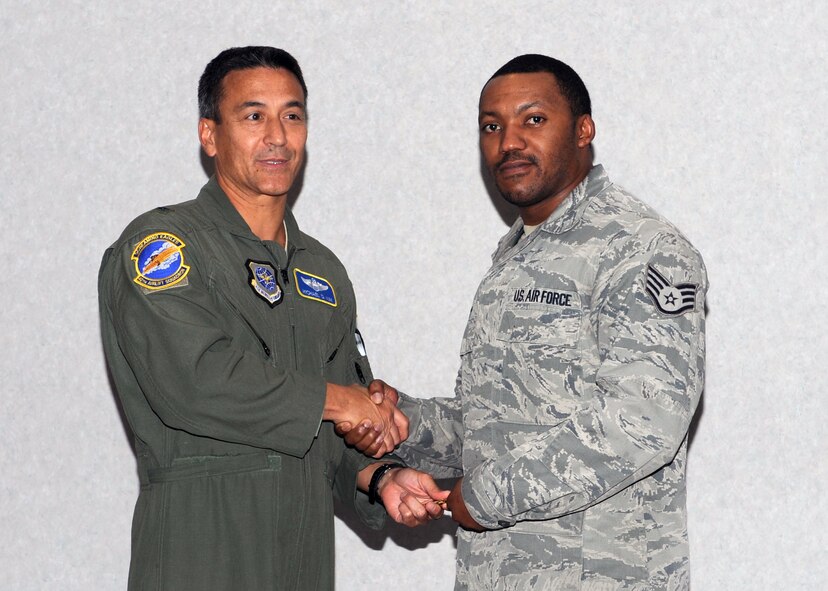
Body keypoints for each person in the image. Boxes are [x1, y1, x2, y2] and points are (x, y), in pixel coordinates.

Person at [345, 54, 707, 589]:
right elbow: (494, 423)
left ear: (584, 130)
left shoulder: (642, 249)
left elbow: (641, 422)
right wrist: (405, 423)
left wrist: (487, 496)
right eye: (492, 126)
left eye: (532, 119)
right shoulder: (514, 256)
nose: (508, 141)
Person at [98, 46, 445, 591]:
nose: (277, 136)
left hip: (303, 559)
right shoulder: (165, 245)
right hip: (201, 550)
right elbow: (196, 382)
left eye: (293, 115)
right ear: (209, 135)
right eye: (253, 116)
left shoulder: (322, 271)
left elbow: (333, 433)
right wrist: (339, 400)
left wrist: (380, 476)